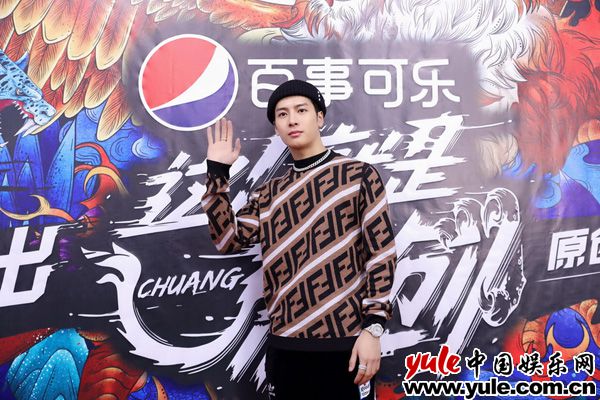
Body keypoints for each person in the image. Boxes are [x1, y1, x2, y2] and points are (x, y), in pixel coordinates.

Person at [201, 80, 396, 399]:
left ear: (319, 117)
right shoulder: (269, 193)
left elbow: (381, 254)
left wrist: (373, 329)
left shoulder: (358, 175)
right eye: (282, 114)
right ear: (276, 127)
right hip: (286, 349)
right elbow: (227, 240)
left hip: (346, 347)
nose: (292, 119)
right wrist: (217, 172)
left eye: (301, 110)